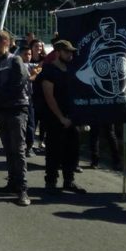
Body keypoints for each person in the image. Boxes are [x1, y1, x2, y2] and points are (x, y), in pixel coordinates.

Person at [0, 31, 31, 206]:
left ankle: (22, 189)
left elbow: (18, 85)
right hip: (1, 111)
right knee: (8, 149)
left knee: (18, 149)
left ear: (5, 43)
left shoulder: (14, 60)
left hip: (16, 109)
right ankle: (12, 183)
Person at [39, 40, 86, 194]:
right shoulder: (49, 70)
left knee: (72, 150)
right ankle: (51, 181)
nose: (70, 54)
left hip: (73, 117)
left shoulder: (72, 69)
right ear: (57, 53)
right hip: (54, 118)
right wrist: (61, 117)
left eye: (71, 51)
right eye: (67, 52)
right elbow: (48, 96)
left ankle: (69, 181)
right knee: (54, 150)